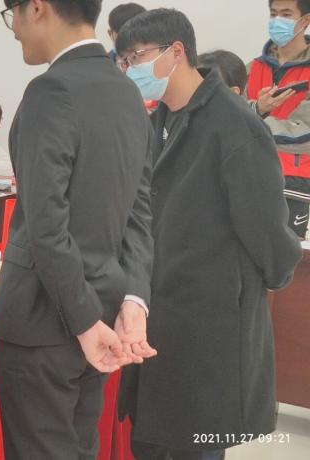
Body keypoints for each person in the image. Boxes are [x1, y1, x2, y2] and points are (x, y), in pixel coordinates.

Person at [115, 9, 303, 459]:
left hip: (209, 322)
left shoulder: (234, 124)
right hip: (159, 313)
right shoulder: (159, 119)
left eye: (137, 57)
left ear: (176, 52)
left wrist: (264, 278)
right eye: (124, 61)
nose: (130, 69)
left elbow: (267, 230)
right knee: (151, 440)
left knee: (195, 441)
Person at [0, 1, 156, 458]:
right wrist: (134, 299)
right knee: (79, 448)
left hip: (45, 316)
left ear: (37, 8)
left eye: (12, 14)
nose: (14, 29)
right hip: (103, 306)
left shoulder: (51, 89)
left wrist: (83, 322)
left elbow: (46, 224)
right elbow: (140, 211)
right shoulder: (127, 92)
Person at [246, 0, 310, 237]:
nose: (277, 21)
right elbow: (229, 115)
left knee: (291, 258)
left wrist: (252, 124)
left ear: (305, 20)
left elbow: (305, 134)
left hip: (296, 186)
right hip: (248, 178)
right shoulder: (253, 67)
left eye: (286, 14)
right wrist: (257, 108)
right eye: (273, 14)